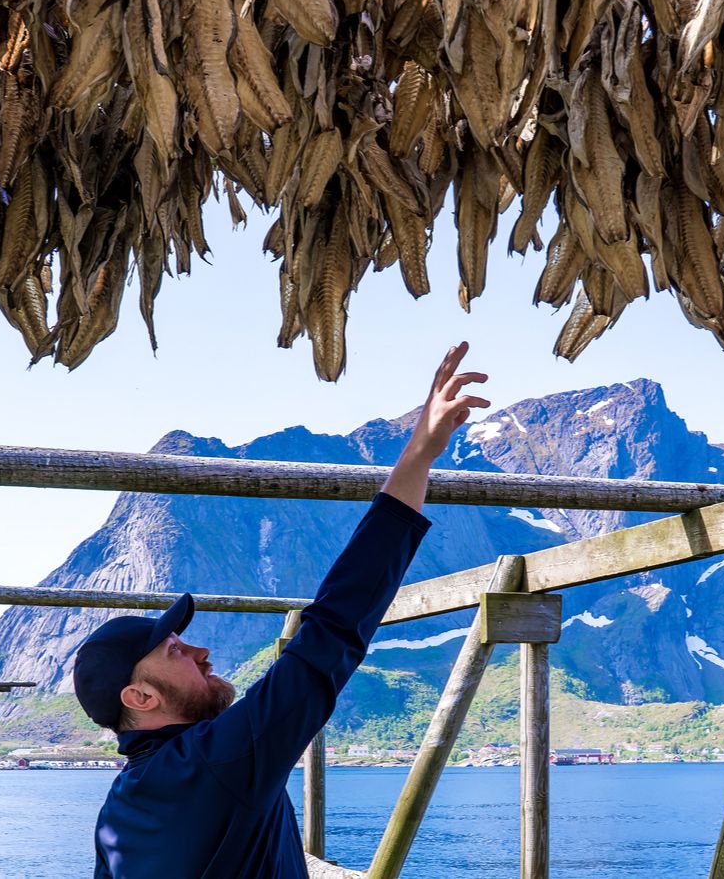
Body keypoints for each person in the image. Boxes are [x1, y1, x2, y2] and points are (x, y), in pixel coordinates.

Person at [72, 343, 491, 878]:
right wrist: (417, 456)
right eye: (174, 649)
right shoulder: (214, 763)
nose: (201, 652)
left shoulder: (120, 807)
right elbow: (332, 631)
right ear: (140, 696)